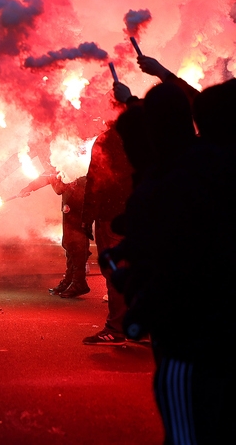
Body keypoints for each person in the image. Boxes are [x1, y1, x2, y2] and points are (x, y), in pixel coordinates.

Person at [106, 83, 236, 442]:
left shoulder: (179, 183)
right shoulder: (209, 167)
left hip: (191, 342)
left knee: (186, 434)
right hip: (214, 336)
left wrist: (139, 303)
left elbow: (176, 263)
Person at [79, 120, 133, 345]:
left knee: (116, 271)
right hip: (142, 213)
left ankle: (116, 329)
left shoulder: (107, 139)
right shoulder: (148, 134)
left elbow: (95, 180)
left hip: (112, 215)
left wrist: (86, 218)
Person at [19, 172, 90, 298]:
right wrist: (29, 188)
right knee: (69, 242)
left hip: (80, 201)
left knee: (77, 242)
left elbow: (60, 185)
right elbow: (49, 176)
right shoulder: (58, 157)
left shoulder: (74, 159)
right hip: (70, 201)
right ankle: (70, 280)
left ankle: (79, 281)